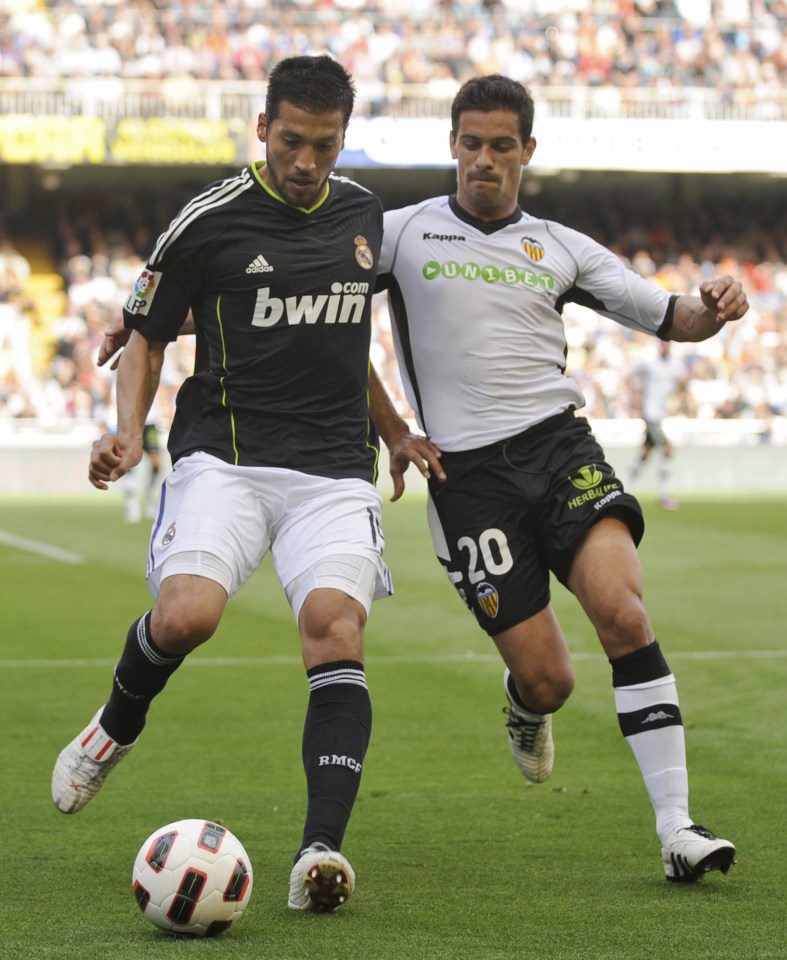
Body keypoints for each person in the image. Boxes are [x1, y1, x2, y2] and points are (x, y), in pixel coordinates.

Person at [51, 55, 427, 914]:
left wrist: (395, 427)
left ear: (342, 142)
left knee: (335, 632)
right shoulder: (207, 221)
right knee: (187, 616)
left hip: (333, 468)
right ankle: (114, 727)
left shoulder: (365, 217)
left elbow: (347, 339)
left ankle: (319, 853)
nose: (306, 163)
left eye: (324, 147)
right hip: (226, 453)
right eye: (291, 142)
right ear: (263, 129)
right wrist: (126, 431)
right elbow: (144, 334)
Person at [370, 74, 746, 884]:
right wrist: (393, 427)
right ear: (451, 146)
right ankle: (523, 701)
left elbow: (669, 314)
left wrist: (713, 304)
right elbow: (302, 290)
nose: (482, 160)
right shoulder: (400, 235)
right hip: (466, 480)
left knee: (622, 610)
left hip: (559, 450)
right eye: (469, 143)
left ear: (526, 152)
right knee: (550, 680)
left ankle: (677, 828)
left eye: (500, 145)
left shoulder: (559, 246)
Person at [627, 340, 688, 511]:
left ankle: (624, 488)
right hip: (650, 415)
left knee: (645, 453)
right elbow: (631, 376)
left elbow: (683, 383)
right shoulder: (649, 365)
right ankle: (664, 495)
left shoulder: (675, 366)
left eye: (667, 344)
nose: (664, 347)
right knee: (668, 449)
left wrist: (677, 397)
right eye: (662, 344)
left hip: (660, 415)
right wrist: (637, 394)